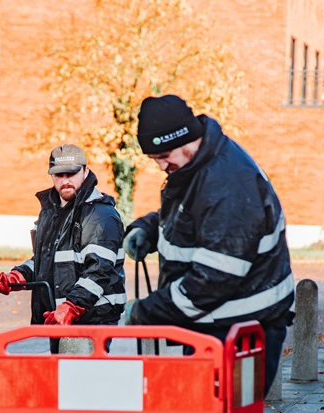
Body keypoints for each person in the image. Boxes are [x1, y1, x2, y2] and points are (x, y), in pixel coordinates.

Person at [122, 95, 294, 393]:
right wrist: (149, 229)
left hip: (241, 330)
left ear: (183, 138)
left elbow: (214, 278)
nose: (162, 166)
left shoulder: (228, 185)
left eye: (163, 156)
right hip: (219, 326)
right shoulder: (198, 165)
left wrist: (146, 311)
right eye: (154, 159)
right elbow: (189, 216)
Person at [0, 144, 126, 334]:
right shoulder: (50, 213)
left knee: (79, 365)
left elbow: (98, 271)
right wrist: (16, 277)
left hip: (92, 319)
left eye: (71, 173)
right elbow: (46, 261)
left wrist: (72, 307)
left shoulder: (100, 215)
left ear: (86, 171)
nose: (65, 180)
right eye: (59, 175)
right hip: (56, 318)